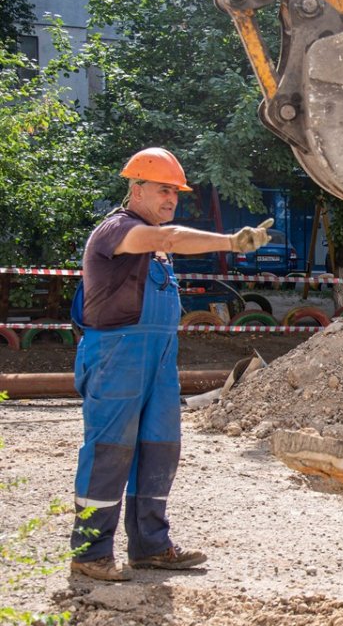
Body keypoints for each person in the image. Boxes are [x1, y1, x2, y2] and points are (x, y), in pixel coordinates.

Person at [69, 148, 273, 582]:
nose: (170, 199)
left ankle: (151, 546)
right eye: (163, 190)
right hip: (116, 356)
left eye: (175, 193)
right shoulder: (119, 230)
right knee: (109, 452)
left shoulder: (156, 244)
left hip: (159, 359)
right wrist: (232, 242)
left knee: (160, 447)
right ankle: (89, 553)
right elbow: (172, 236)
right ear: (136, 188)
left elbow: (168, 240)